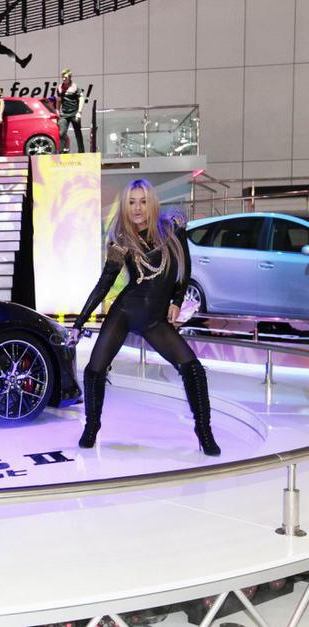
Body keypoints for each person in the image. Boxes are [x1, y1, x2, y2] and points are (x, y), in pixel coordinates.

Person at [69, 179, 220, 456]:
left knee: (194, 369)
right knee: (94, 370)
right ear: (125, 206)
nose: (137, 208)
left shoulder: (172, 228)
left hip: (154, 320)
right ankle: (91, 427)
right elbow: (104, 285)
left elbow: (184, 269)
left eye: (142, 201)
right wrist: (79, 323)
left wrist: (177, 301)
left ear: (151, 203)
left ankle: (204, 431)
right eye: (131, 202)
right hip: (126, 312)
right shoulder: (121, 240)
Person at [58, 68, 85, 153]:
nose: (63, 79)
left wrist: (79, 112)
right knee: (61, 133)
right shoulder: (59, 87)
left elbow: (81, 99)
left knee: (78, 133)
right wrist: (57, 111)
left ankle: (81, 152)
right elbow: (59, 100)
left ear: (69, 77)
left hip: (74, 113)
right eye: (62, 77)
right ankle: (60, 153)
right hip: (64, 114)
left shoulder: (75, 87)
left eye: (65, 77)